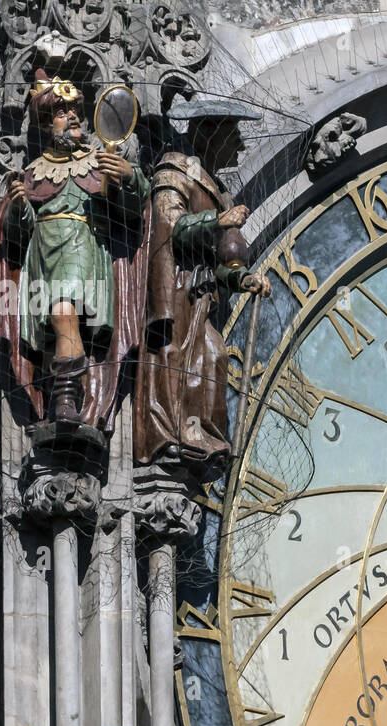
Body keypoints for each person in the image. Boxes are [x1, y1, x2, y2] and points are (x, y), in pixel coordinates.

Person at [0, 70, 150, 429]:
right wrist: (18, 209)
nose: (74, 117)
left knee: (64, 311)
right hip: (42, 255)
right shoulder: (34, 172)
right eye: (63, 113)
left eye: (76, 111)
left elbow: (130, 210)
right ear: (48, 125)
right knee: (53, 328)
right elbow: (17, 237)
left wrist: (129, 177)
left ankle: (67, 396)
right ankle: (59, 392)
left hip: (82, 248)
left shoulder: (97, 162)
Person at [134, 98, 271, 481]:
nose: (241, 145)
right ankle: (177, 433)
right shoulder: (173, 172)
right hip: (175, 292)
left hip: (201, 296)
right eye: (234, 134)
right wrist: (217, 219)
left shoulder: (216, 187)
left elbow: (218, 262)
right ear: (209, 133)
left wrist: (242, 279)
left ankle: (201, 436)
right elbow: (169, 225)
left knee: (213, 356)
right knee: (190, 358)